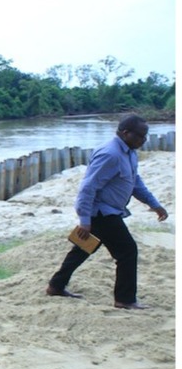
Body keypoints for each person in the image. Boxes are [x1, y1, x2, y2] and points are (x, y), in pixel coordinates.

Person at [46, 115, 168, 309]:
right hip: (102, 213)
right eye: (140, 136)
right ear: (125, 133)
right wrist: (84, 220)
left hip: (108, 211)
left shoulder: (129, 153)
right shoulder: (110, 154)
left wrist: (155, 205)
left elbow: (135, 183)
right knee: (127, 251)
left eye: (146, 136)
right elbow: (87, 187)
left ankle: (56, 285)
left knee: (83, 248)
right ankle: (125, 299)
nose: (143, 140)